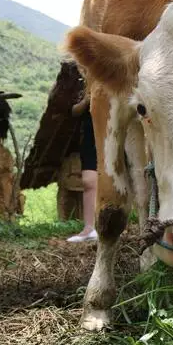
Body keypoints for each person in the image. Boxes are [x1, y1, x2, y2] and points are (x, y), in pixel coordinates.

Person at [67, 102, 98, 242]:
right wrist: (87, 99)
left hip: (118, 130)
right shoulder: (82, 82)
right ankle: (89, 229)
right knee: (89, 181)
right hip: (91, 132)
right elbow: (73, 110)